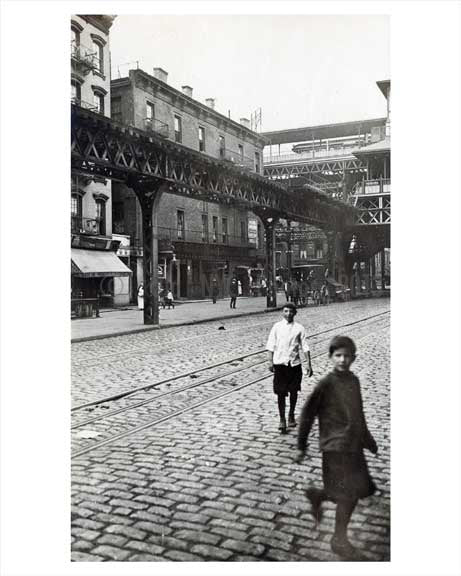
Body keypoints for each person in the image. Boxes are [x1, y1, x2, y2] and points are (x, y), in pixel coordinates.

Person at [295, 335, 378, 560]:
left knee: (353, 490)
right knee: (348, 495)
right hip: (334, 448)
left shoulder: (354, 381)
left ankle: (318, 495)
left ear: (353, 358)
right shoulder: (326, 384)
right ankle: (339, 539)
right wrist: (301, 445)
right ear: (331, 357)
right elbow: (308, 413)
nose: (342, 360)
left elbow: (358, 415)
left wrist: (368, 440)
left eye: (346, 356)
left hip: (353, 447)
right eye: (338, 355)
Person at [266, 302, 313, 433]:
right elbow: (271, 345)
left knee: (293, 391)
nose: (288, 314)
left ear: (295, 313)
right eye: (286, 311)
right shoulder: (276, 327)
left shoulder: (299, 328)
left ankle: (291, 414)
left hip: (294, 365)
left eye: (291, 311)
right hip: (280, 364)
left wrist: (308, 363)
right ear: (282, 312)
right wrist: (270, 361)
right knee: (280, 393)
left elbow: (305, 347)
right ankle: (282, 419)